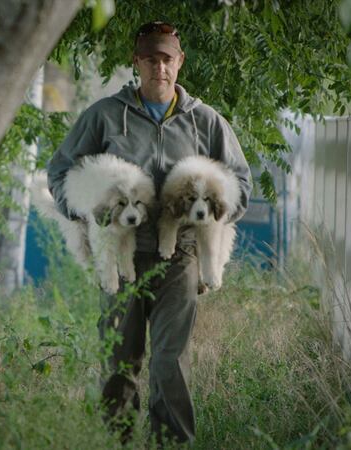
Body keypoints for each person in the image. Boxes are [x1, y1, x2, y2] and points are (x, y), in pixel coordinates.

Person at [46, 21, 252, 444]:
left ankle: (171, 444)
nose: (160, 67)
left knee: (169, 363)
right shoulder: (104, 115)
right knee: (120, 361)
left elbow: (240, 183)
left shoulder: (206, 122)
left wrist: (212, 215)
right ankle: (118, 441)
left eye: (167, 59)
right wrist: (85, 213)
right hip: (121, 256)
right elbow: (61, 170)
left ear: (180, 62)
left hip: (181, 257)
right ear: (136, 62)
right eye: (151, 59)